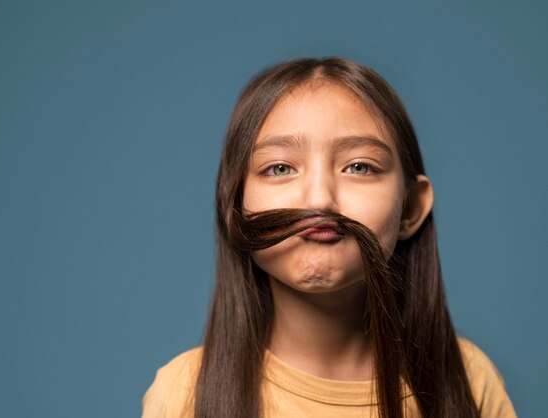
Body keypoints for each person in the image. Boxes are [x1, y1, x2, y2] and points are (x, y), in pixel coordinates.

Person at [142, 57, 516, 418]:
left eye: (359, 166)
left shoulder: (470, 380)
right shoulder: (183, 394)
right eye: (280, 168)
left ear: (410, 209)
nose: (320, 198)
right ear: (235, 207)